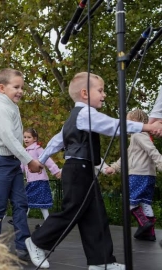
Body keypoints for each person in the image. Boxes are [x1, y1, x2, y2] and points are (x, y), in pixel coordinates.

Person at [25, 72, 162, 270]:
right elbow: (113, 125)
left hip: (84, 169)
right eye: (100, 90)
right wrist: (147, 127)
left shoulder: (76, 117)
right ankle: (37, 241)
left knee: (96, 215)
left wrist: (41, 159)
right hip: (77, 169)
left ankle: (101, 261)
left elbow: (57, 140)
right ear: (84, 93)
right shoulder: (84, 114)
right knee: (73, 211)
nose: (104, 95)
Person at [0, 68, 43, 262]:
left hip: (11, 162)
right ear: (2, 88)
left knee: (20, 204)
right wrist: (29, 160)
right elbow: (8, 139)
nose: (20, 91)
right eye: (16, 87)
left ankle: (24, 245)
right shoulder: (1, 109)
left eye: (22, 87)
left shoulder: (11, 106)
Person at [105, 109, 162, 241]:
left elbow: (152, 151)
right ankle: (150, 233)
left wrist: (160, 163)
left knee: (129, 201)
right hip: (149, 176)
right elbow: (125, 157)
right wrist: (113, 167)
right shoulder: (141, 137)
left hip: (138, 174)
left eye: (128, 121)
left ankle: (144, 223)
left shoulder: (138, 135)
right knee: (145, 203)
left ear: (135, 122)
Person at [22, 128, 61, 221]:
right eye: (24, 137)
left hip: (40, 180)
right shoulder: (24, 151)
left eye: (29, 137)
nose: (26, 139)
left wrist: (56, 171)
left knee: (41, 203)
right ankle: (22, 220)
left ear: (35, 139)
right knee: (27, 200)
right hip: (31, 181)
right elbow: (22, 165)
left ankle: (46, 222)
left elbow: (48, 160)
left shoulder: (37, 149)